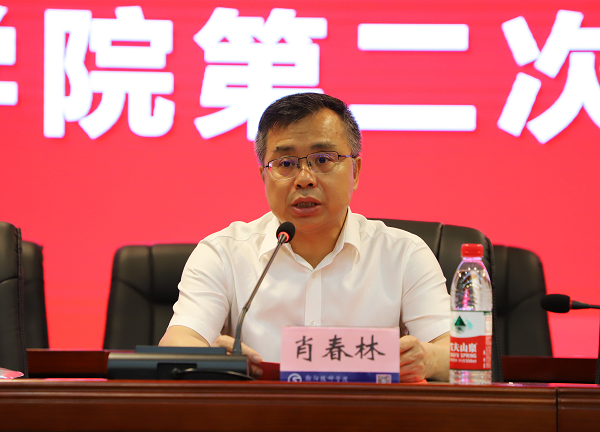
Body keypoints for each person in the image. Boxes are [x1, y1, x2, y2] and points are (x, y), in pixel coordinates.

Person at [160, 93, 450, 382]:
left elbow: (456, 351)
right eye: (285, 164)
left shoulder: (404, 254)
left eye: (322, 159)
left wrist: (428, 359)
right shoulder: (222, 253)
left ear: (356, 171)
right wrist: (210, 357)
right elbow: (178, 341)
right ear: (264, 177)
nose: (304, 179)